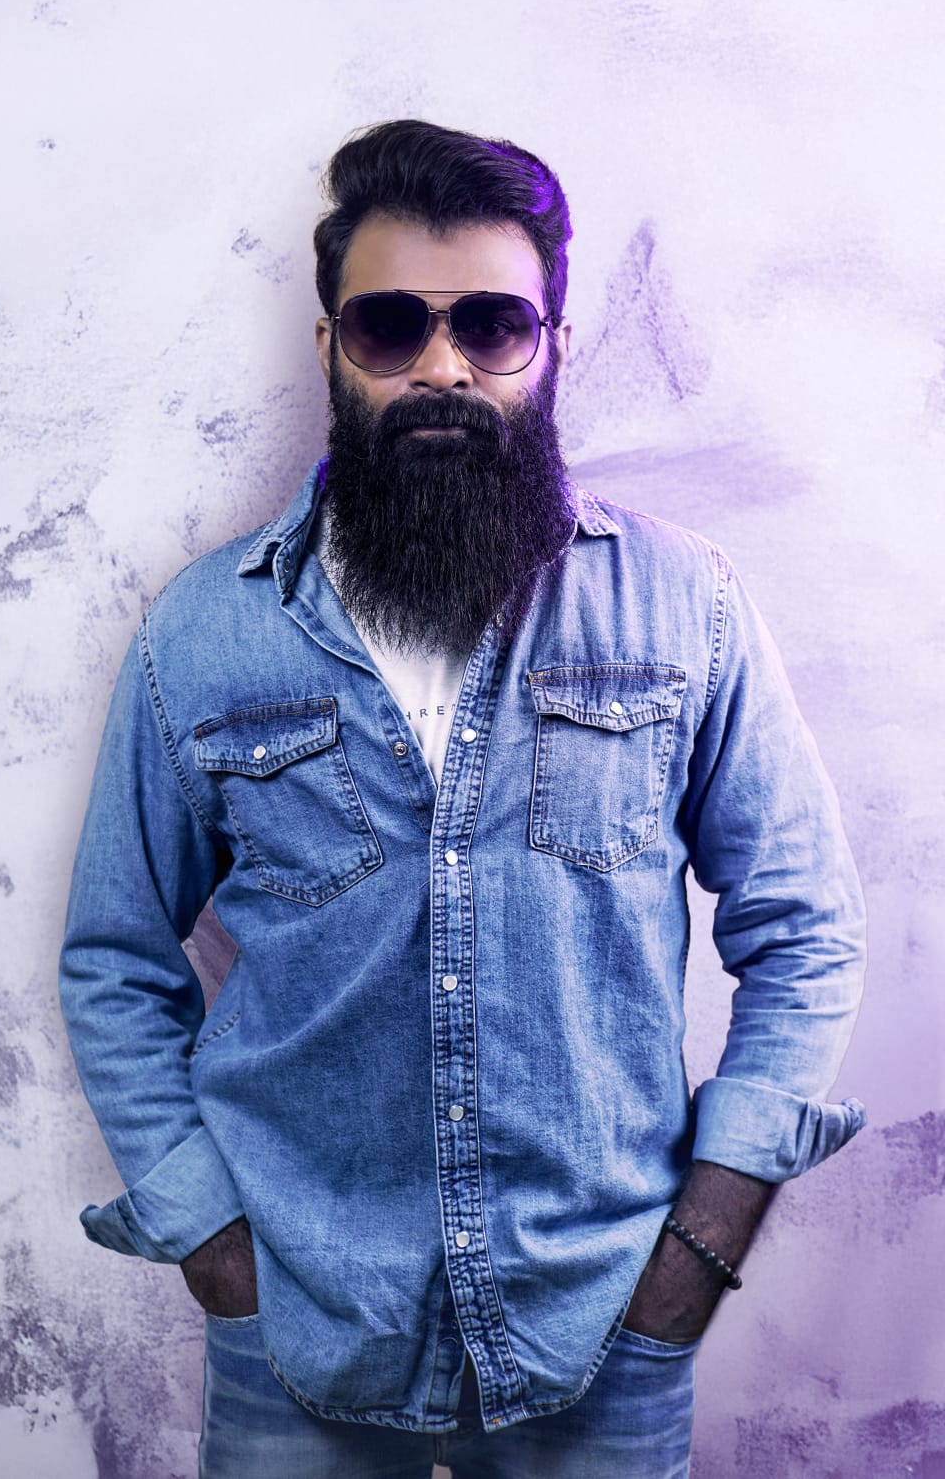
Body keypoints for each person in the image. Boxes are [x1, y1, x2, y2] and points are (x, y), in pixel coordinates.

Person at [59, 119, 867, 1478]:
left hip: (602, 1327)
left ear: (553, 344)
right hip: (298, 1331)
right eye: (392, 326)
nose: (443, 366)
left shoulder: (686, 607)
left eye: (492, 324)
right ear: (331, 346)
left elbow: (806, 931)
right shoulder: (200, 635)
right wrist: (211, 1240)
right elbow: (114, 960)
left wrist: (702, 1246)